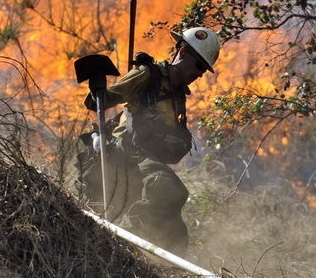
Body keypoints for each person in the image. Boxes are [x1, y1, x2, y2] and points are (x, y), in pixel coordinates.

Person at [80, 27, 221, 256]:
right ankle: (122, 235)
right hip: (127, 152)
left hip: (148, 160)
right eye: (199, 66)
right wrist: (97, 83)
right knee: (169, 188)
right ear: (183, 53)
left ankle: (165, 265)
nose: (201, 73)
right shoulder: (148, 74)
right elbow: (99, 102)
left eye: (204, 69)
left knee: (176, 230)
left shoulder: (178, 95)